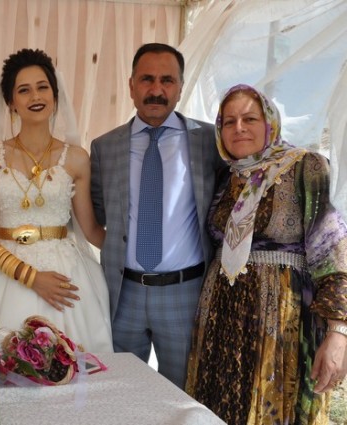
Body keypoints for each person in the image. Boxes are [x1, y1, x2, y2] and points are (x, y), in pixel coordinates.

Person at [185, 84, 347, 424]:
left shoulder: (306, 167)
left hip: (282, 321)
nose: (239, 128)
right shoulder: (226, 176)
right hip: (222, 320)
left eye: (250, 118)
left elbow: (333, 252)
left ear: (270, 122)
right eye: (229, 121)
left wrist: (338, 332)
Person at [0, 48, 113, 353]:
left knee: (70, 363)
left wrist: (134, 256)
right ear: (11, 102)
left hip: (66, 274)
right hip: (3, 271)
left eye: (42, 87)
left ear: (55, 95)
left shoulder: (77, 158)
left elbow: (91, 230)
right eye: (23, 90)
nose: (35, 96)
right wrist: (31, 277)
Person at [90, 43, 225, 386]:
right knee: (119, 391)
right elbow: (97, 213)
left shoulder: (210, 141)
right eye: (147, 79)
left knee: (182, 394)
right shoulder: (105, 147)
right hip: (123, 294)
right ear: (131, 85)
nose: (156, 90)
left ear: (180, 87)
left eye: (167, 80)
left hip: (185, 293)